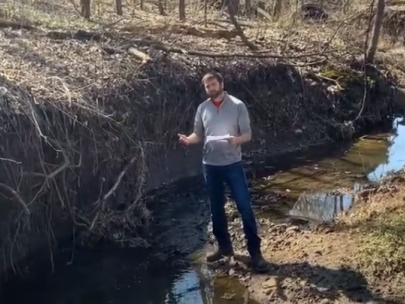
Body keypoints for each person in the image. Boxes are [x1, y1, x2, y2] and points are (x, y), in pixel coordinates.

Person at [178, 71, 268, 273]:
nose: (210, 88)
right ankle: (224, 247)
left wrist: (235, 140)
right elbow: (198, 135)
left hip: (233, 164)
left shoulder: (237, 105)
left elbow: (247, 134)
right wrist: (187, 140)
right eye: (207, 86)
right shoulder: (203, 108)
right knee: (216, 208)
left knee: (245, 207)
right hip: (210, 166)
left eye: (213, 84)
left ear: (221, 84)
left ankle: (256, 253)